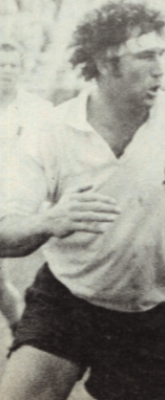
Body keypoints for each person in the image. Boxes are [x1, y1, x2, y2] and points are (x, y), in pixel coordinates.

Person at [0, 3, 165, 400]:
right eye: (146, 55)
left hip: (148, 317)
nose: (161, 67)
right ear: (104, 63)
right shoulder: (53, 130)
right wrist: (49, 220)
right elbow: (5, 231)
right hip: (66, 300)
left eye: (162, 54)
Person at [0, 38, 53, 334]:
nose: (6, 71)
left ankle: (26, 331)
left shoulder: (38, 109)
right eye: (1, 65)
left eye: (12, 65)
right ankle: (20, 328)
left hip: (25, 200)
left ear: (21, 69)